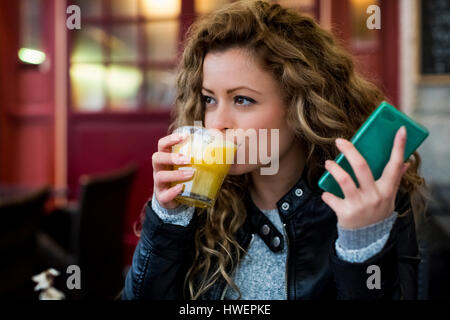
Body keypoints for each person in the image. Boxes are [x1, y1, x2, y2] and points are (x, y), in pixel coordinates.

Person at [122, 0, 426, 300]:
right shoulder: (198, 200)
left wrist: (362, 243)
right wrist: (167, 221)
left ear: (301, 105)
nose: (216, 124)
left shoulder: (369, 200)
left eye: (242, 99)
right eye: (209, 99)